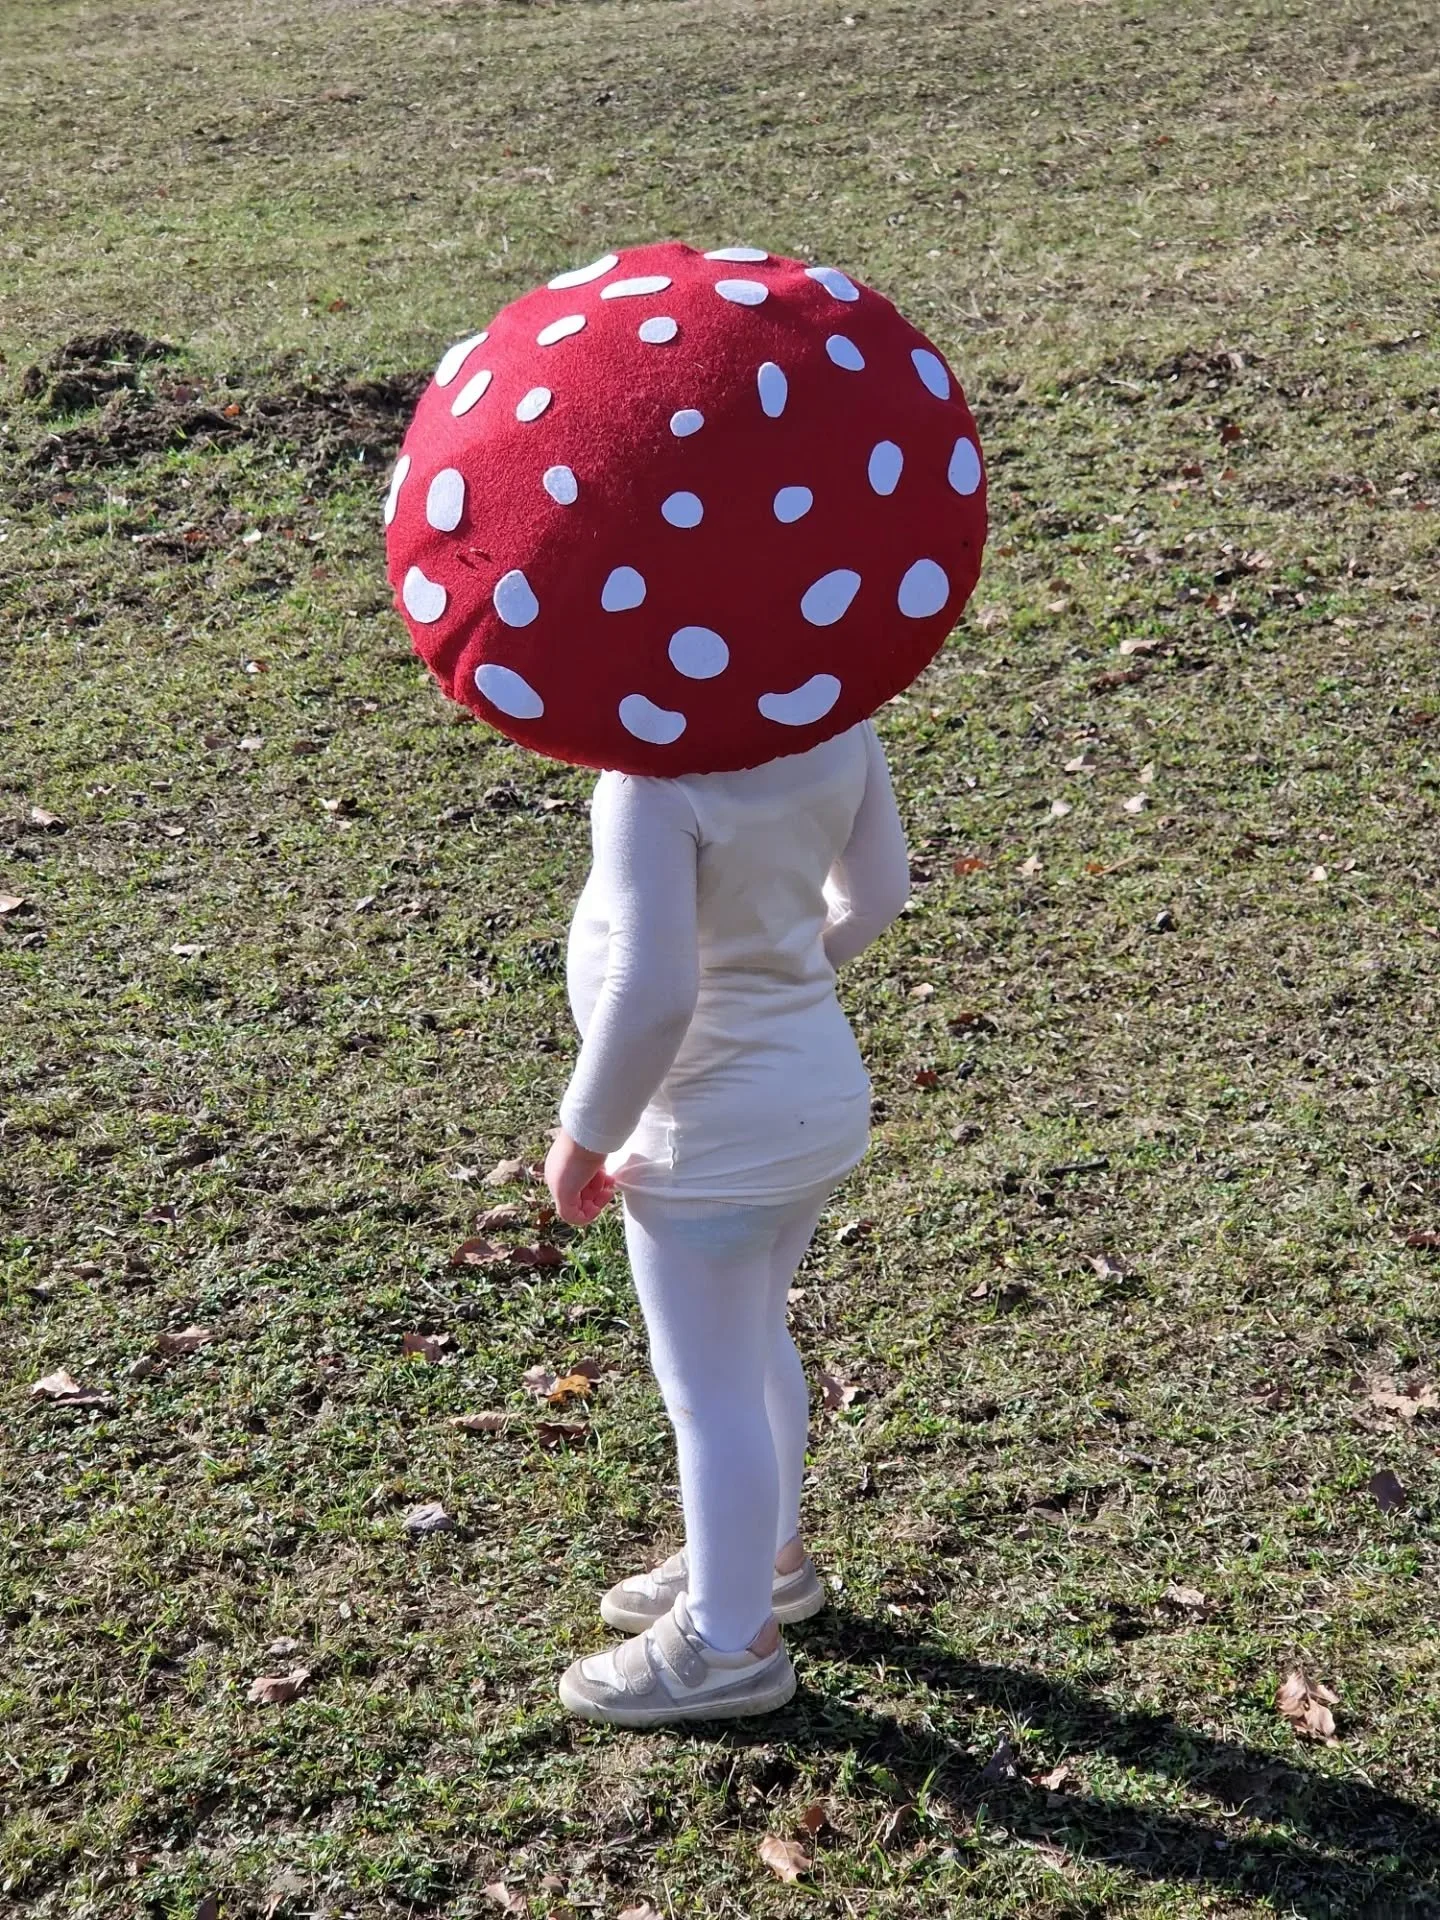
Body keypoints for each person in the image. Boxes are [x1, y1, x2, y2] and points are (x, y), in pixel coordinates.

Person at [384, 239, 986, 1725]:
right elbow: (880, 897)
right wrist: (786, 978)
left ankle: (730, 1648)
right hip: (814, 1094)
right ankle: (766, 1562)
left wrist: (587, 1133)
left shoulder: (652, 786)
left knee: (703, 1383)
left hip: (702, 1125)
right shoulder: (832, 724)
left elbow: (650, 993)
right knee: (753, 1342)